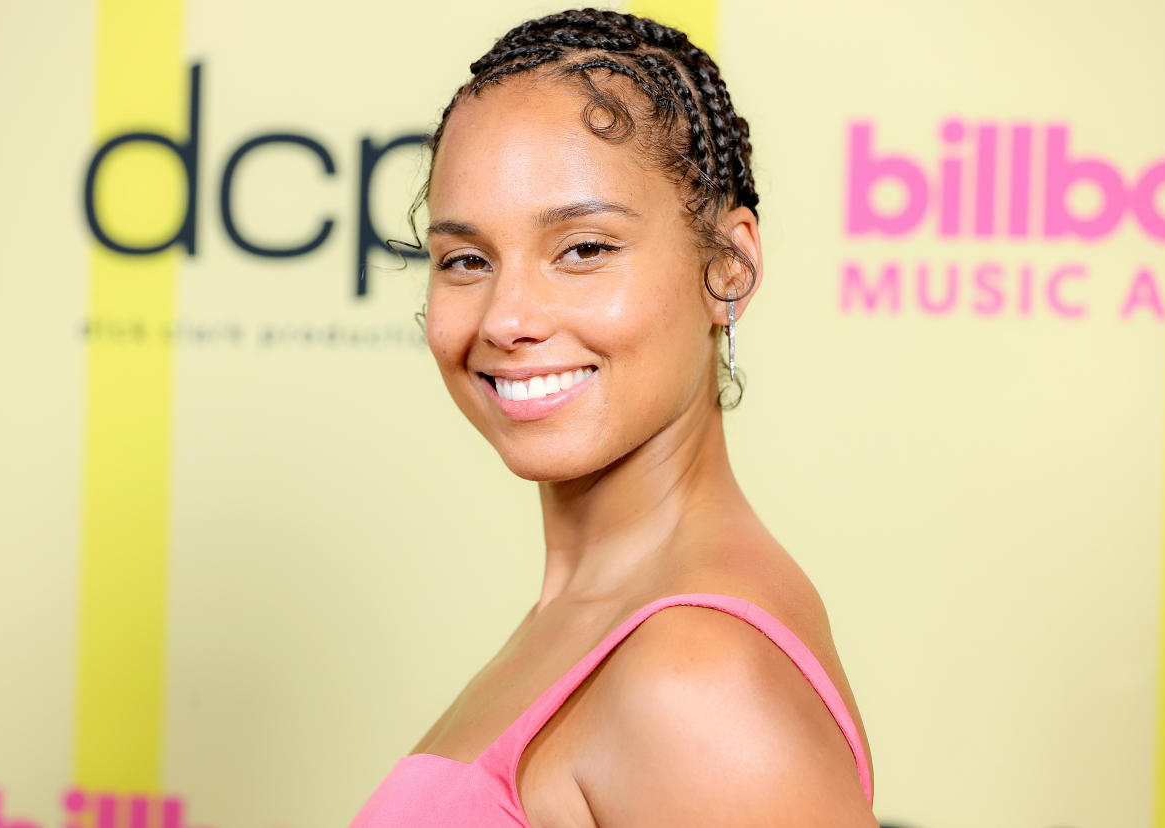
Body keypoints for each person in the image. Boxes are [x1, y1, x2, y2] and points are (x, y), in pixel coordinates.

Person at [350, 8, 875, 826]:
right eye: (466, 260)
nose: (505, 318)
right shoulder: (591, 616)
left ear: (728, 267)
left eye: (583, 249)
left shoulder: (695, 679)